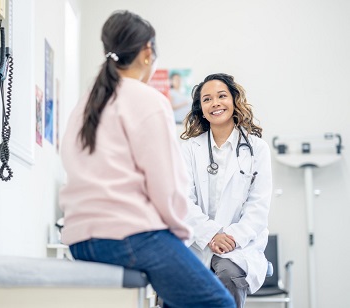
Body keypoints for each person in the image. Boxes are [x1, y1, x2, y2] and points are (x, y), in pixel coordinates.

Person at [59, 11, 235, 308]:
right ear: (147, 51)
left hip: (79, 240)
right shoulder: (148, 100)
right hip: (130, 237)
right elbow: (166, 187)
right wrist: (180, 237)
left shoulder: (85, 103)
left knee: (173, 300)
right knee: (220, 303)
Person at [180, 73, 272, 308]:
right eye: (207, 99)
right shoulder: (189, 149)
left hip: (239, 245)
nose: (215, 103)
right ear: (201, 108)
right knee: (174, 281)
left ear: (234, 100)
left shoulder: (257, 149)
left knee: (228, 274)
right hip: (197, 241)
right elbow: (182, 201)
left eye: (222, 96)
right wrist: (210, 235)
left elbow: (258, 207)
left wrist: (229, 239)